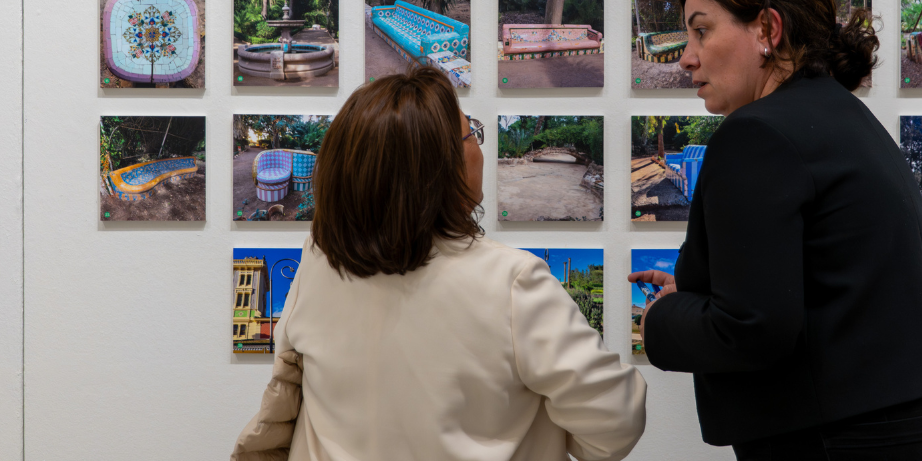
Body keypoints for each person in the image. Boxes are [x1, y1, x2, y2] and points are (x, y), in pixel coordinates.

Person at [630, 0, 922, 460]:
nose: (686, 58)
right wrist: (702, 295)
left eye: (701, 30)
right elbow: (826, 285)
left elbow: (752, 333)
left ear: (767, 30)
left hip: (844, 442)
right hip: (920, 428)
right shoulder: (843, 116)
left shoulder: (757, 134)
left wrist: (661, 319)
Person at [232, 66, 646, 461]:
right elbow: (615, 421)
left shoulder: (317, 262)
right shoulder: (512, 281)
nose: (479, 148)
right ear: (440, 166)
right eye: (472, 134)